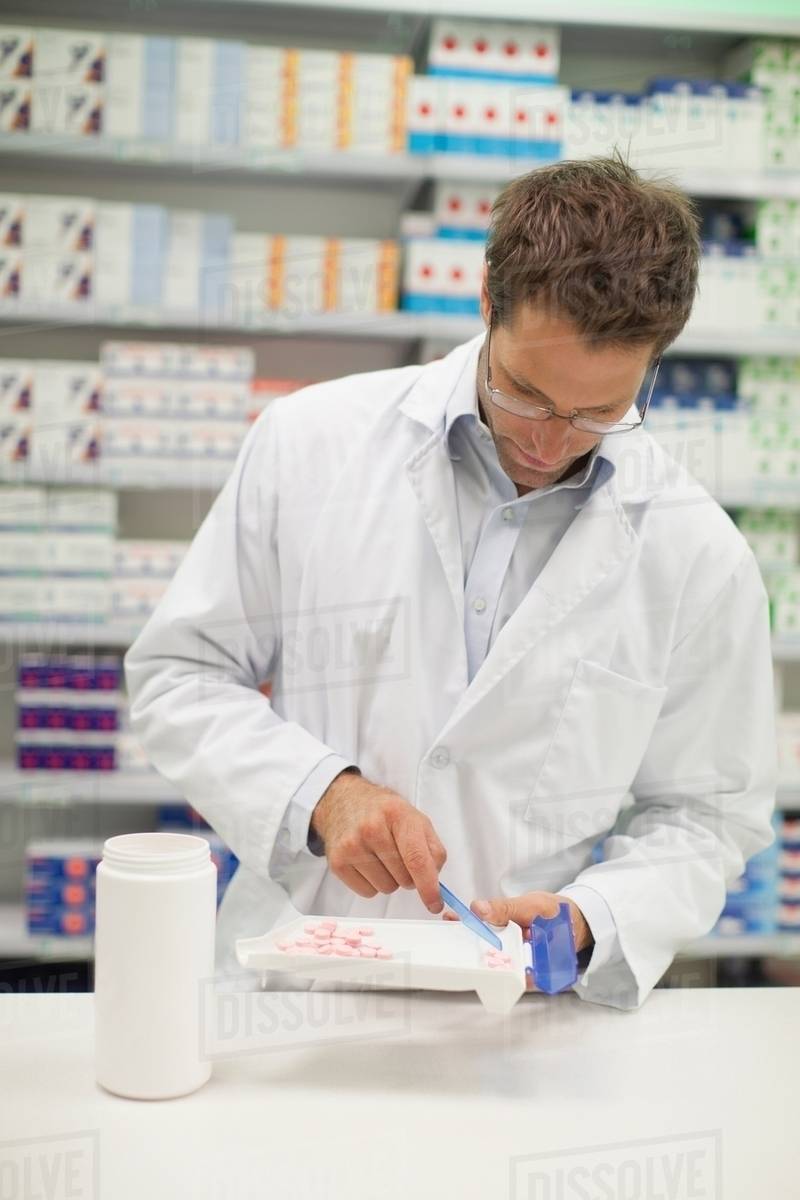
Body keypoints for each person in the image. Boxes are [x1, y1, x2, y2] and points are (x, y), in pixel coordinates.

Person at [125, 152, 777, 1009]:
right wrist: (324, 794)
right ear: (485, 305)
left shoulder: (696, 550)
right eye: (527, 395)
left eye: (596, 414)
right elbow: (179, 676)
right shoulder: (310, 442)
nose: (550, 443)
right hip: (302, 985)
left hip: (522, 1017)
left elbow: (708, 814)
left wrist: (591, 919)